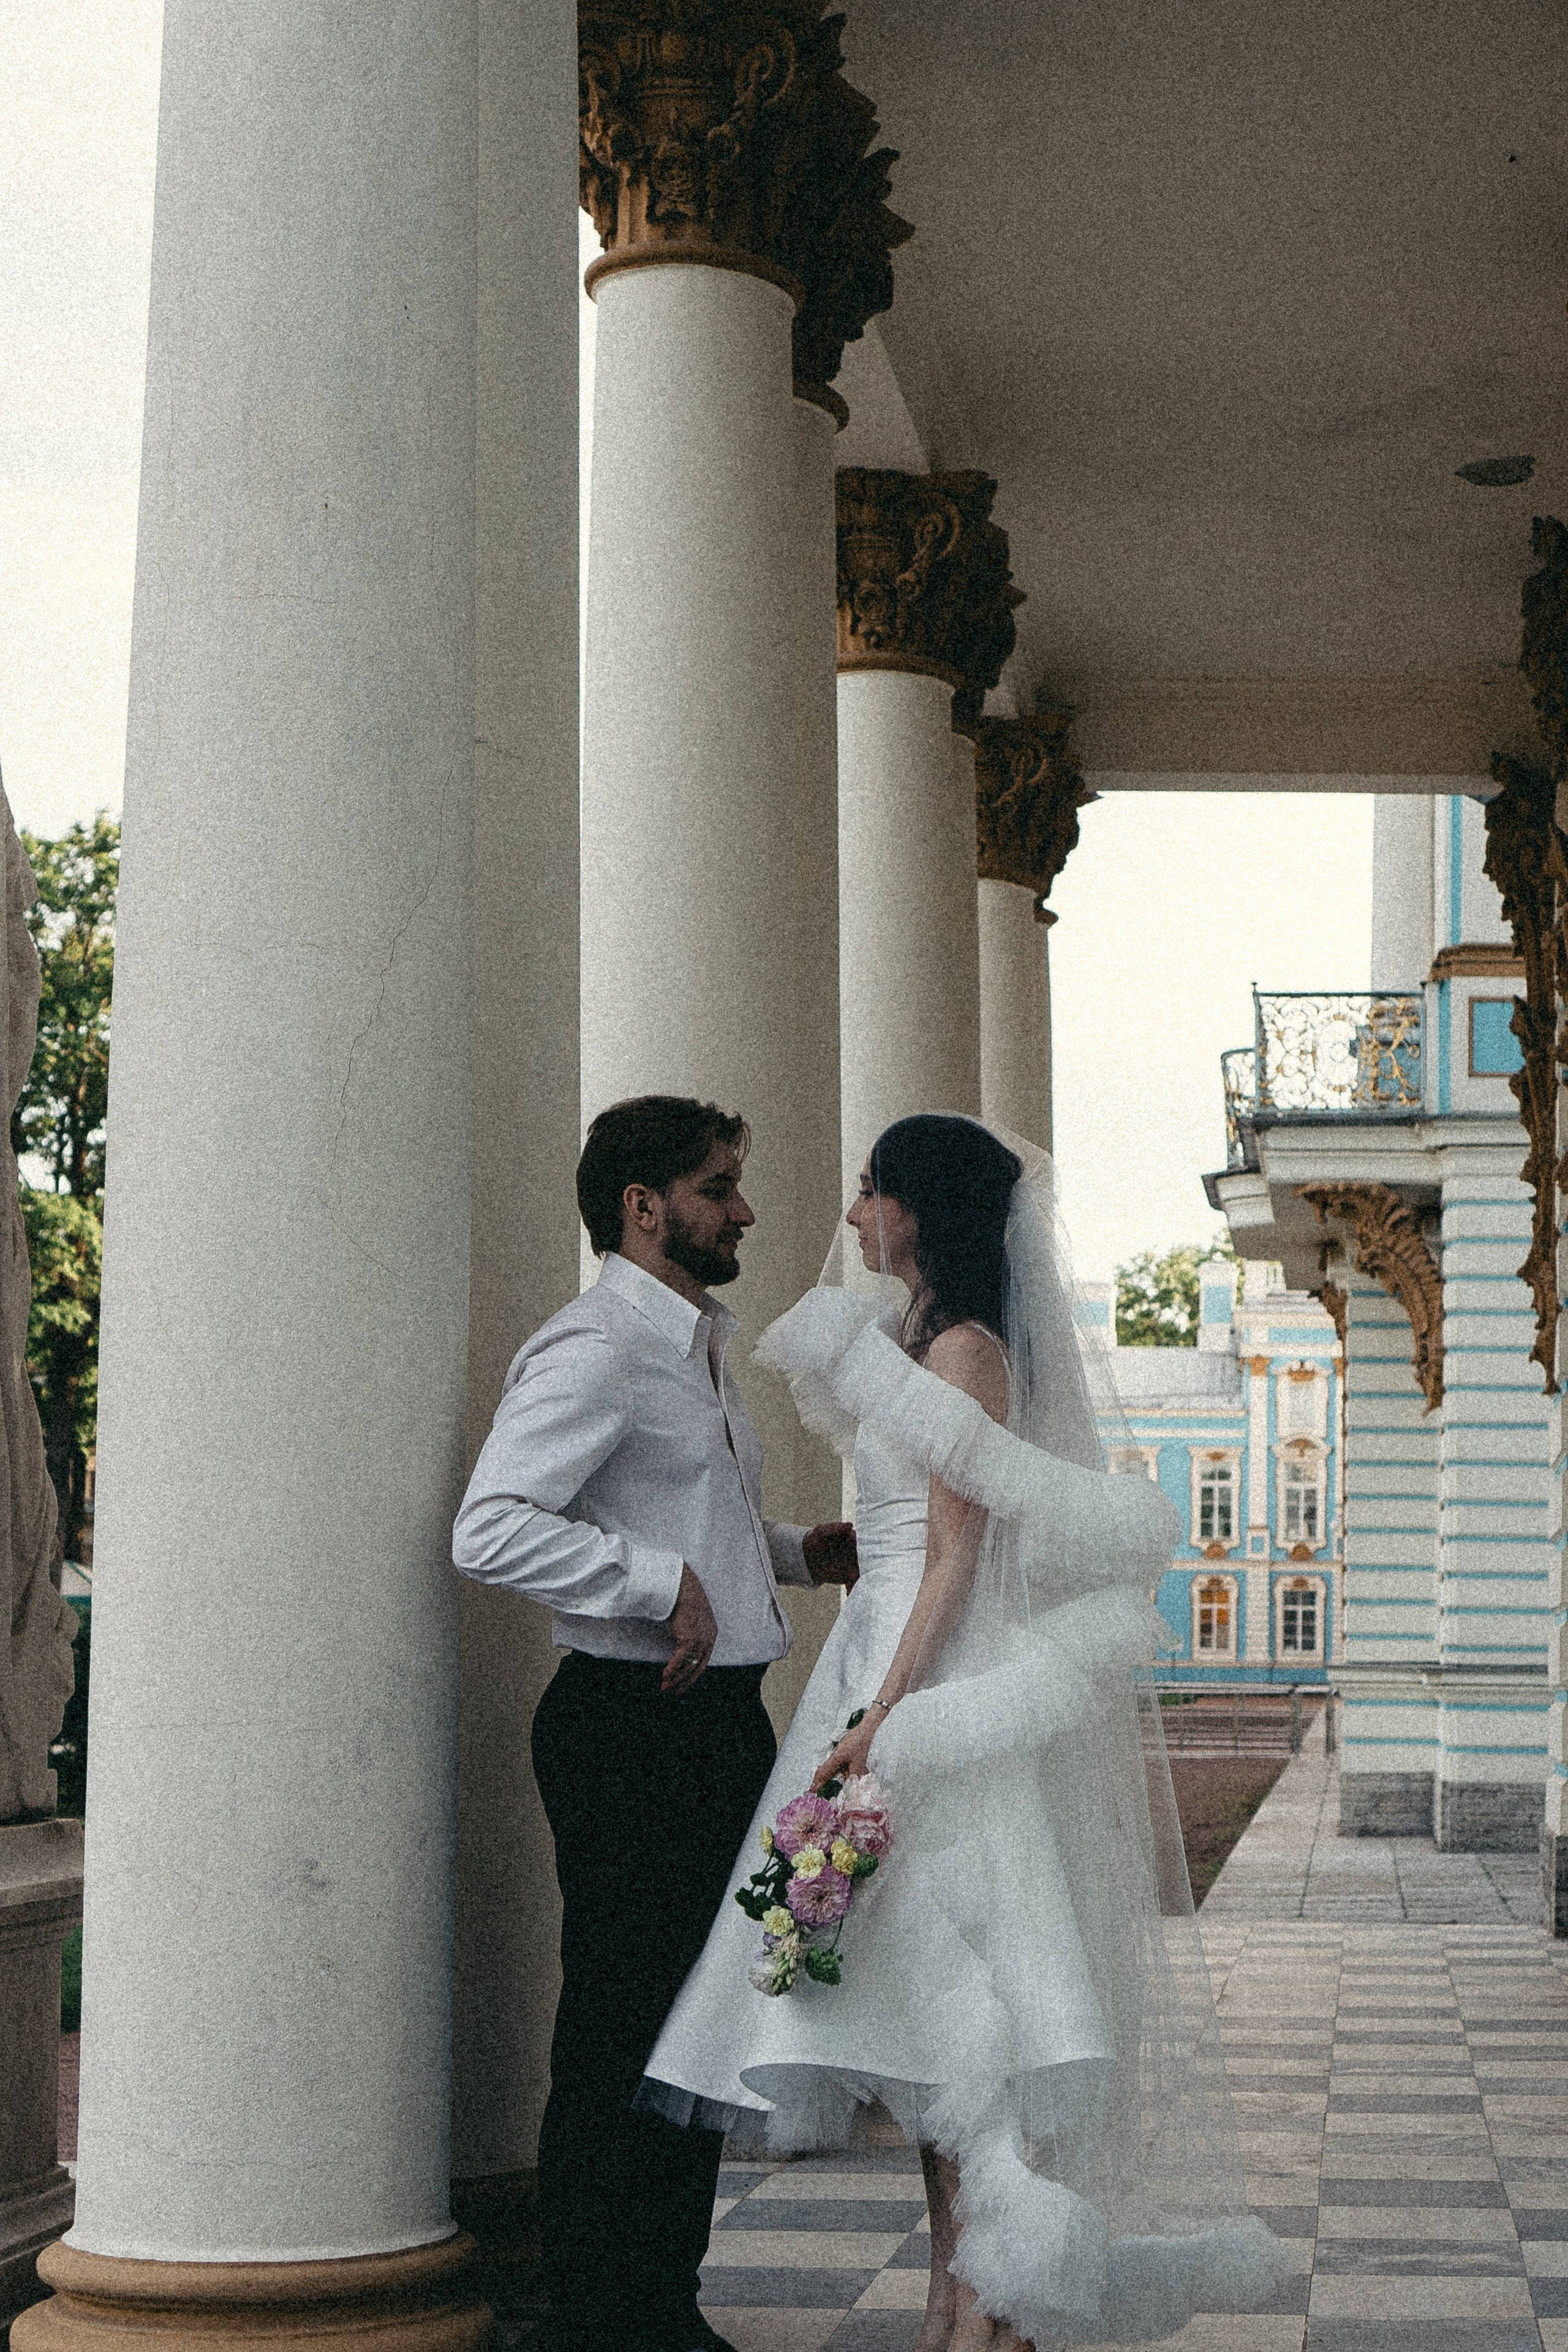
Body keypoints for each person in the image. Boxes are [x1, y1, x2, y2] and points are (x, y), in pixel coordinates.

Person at [641, 1113, 1290, 2350]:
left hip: (938, 1692)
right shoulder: (913, 1343)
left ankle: (989, 2320)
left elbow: (952, 1559)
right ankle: (957, 2316)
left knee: (984, 2018)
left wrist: (884, 1723)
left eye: (868, 1191)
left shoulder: (961, 1354)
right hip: (882, 1665)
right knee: (932, 2045)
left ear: (918, 1210)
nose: (847, 1216)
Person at [452, 1095, 859, 2352]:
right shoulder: (594, 1349)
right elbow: (491, 1523)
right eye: (720, 1185)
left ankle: (659, 2305)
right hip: (631, 1729)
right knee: (621, 2026)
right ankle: (597, 2317)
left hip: (711, 1725)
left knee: (694, 2033)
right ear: (643, 1206)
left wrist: (798, 1550)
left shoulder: (694, 1349)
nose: (743, 1209)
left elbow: (701, 1531)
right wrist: (649, 1584)